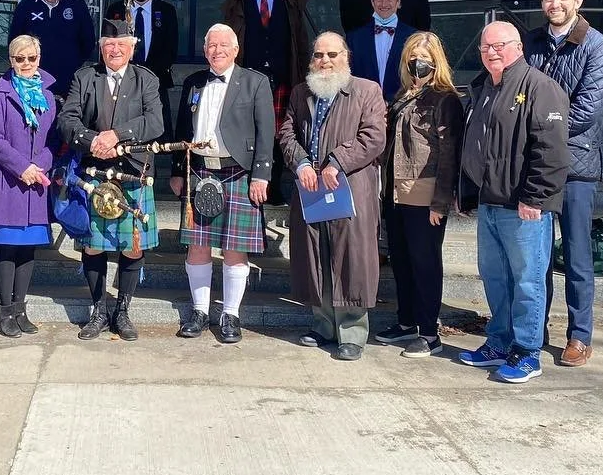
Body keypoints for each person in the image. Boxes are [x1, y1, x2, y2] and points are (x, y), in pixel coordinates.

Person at [457, 21, 570, 384]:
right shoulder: (483, 87)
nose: (492, 52)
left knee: (527, 281)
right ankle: (499, 342)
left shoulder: (539, 87)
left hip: (524, 206)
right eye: (485, 47)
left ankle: (527, 352)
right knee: (495, 277)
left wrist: (535, 197)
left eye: (500, 45)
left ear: (518, 47)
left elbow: (551, 151)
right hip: (490, 203)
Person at [524, 0, 603, 367]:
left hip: (575, 166)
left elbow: (585, 112)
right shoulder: (531, 43)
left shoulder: (599, 48)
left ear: (578, 1)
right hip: (534, 166)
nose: (554, 5)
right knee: (535, 255)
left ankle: (579, 336)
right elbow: (517, 94)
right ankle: (532, 330)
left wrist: (537, 129)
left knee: (577, 255)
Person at [277, 31, 387, 361]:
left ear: (346, 58)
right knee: (316, 256)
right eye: (319, 55)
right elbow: (287, 133)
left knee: (350, 258)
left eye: (333, 54)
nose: (325, 61)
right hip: (311, 188)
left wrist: (338, 160)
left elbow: (374, 137)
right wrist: (301, 164)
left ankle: (351, 332)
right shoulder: (301, 93)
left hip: (350, 190)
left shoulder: (367, 91)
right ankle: (324, 326)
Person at [57, 18, 164, 341]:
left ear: (132, 48)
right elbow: (67, 119)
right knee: (92, 247)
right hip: (94, 173)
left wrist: (116, 136)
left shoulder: (146, 79)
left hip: (133, 172)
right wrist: (93, 141)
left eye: (121, 45)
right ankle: (99, 310)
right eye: (108, 45)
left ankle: (123, 311)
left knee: (131, 248)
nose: (114, 50)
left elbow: (155, 122)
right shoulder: (85, 76)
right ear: (101, 48)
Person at [169, 24, 276, 344]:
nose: (216, 50)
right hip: (200, 172)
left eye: (222, 45)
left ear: (235, 49)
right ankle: (200, 311)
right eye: (211, 45)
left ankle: (231, 314)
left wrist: (262, 174)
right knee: (198, 246)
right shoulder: (194, 82)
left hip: (239, 173)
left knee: (234, 249)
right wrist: (177, 170)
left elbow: (265, 132)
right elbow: (181, 130)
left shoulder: (255, 82)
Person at [376, 32, 465, 358]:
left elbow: (448, 153)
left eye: (425, 55)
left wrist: (440, 202)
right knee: (401, 259)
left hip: (424, 194)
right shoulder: (403, 94)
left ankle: (429, 332)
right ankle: (406, 322)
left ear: (436, 60)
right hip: (395, 191)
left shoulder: (445, 99)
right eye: (412, 55)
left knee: (425, 263)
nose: (418, 62)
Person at [218, 0, 314, 203]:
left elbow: (302, 44)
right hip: (248, 80)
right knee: (254, 131)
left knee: (281, 131)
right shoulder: (235, 3)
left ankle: (274, 187)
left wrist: (303, 77)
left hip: (283, 78)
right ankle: (253, 182)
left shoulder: (291, 1)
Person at [0, 34, 57, 338]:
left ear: (39, 59)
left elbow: (53, 140)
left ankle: (21, 308)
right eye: (19, 58)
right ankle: (5, 311)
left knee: (28, 250)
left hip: (36, 181)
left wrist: (40, 166)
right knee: (8, 248)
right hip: (7, 180)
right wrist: (21, 167)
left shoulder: (49, 96)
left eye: (31, 58)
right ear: (10, 61)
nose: (26, 64)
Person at [105, 0, 179, 139]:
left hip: (155, 82)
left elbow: (171, 49)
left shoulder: (167, 11)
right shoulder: (116, 9)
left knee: (157, 139)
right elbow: (108, 48)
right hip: (121, 84)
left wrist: (146, 78)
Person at [9, 0, 97, 99]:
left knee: (67, 119)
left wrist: (72, 62)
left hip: (70, 81)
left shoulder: (77, 3)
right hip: (34, 81)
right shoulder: (26, 6)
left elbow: (88, 41)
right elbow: (14, 43)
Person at [347, 0, 419, 107]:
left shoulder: (414, 37)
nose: (384, 4)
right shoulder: (355, 38)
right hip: (364, 108)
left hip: (403, 108)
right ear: (372, 2)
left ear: (399, 2)